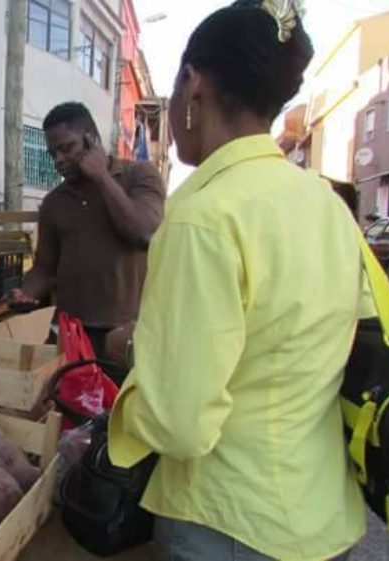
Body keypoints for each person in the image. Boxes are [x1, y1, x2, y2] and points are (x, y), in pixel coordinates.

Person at [107, 2, 366, 560]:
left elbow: (179, 422)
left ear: (192, 85)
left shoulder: (204, 214)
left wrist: (132, 348)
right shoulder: (325, 204)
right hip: (320, 517)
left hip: (228, 523)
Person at [10, 102, 165, 383]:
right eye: (52, 153)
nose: (58, 159)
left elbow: (144, 234)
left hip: (127, 336)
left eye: (66, 148)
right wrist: (27, 292)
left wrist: (101, 177)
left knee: (118, 420)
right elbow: (45, 267)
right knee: (67, 417)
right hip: (72, 336)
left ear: (91, 138)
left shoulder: (139, 176)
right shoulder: (54, 204)